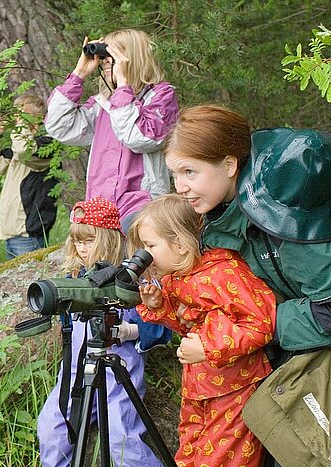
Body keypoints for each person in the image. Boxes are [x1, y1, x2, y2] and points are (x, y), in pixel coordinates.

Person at [162, 104, 331, 464]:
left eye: (190, 171)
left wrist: (262, 324)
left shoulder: (287, 212)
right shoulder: (217, 215)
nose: (181, 187)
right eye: (175, 174)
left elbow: (327, 307)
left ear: (228, 165)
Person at [129, 193, 276, 467]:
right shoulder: (177, 278)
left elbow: (260, 322)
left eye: (150, 245)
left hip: (235, 388)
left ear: (180, 244)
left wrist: (207, 348)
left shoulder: (224, 272)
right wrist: (158, 305)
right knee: (190, 452)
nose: (145, 256)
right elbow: (185, 323)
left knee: (222, 459)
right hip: (198, 387)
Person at [37, 196, 170, 467]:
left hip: (118, 369)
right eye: (77, 241)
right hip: (76, 370)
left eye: (88, 240)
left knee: (123, 439)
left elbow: (160, 328)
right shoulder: (76, 278)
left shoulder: (129, 279)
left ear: (109, 238)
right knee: (52, 428)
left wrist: (130, 331)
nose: (82, 249)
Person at [45, 28, 178, 227]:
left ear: (132, 58)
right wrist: (79, 74)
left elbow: (140, 139)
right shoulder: (103, 105)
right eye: (104, 58)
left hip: (141, 206)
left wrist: (124, 86)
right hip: (100, 206)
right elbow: (58, 126)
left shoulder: (160, 97)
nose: (106, 62)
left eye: (112, 57)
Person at [0, 93, 59, 259]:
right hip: (12, 233)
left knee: (29, 284)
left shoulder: (47, 145)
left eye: (21, 114)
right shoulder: (18, 150)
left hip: (29, 235)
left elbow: (25, 151)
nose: (16, 118)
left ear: (36, 118)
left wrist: (20, 126)